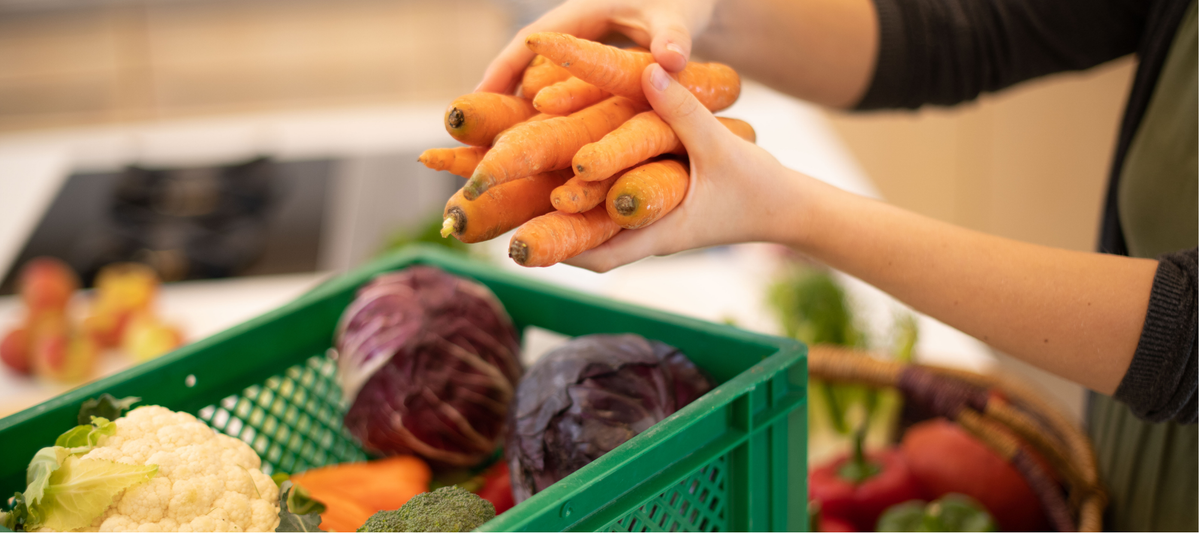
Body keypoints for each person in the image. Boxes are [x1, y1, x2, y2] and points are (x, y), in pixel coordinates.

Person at [478, 0, 1197, 529]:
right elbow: (968, 31)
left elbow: (1187, 336)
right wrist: (696, 16)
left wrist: (790, 208)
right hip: (1126, 474)